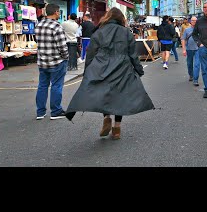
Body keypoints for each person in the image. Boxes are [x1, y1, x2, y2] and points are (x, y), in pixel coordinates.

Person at [65, 7, 154, 140]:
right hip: (122, 67)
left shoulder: (99, 31)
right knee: (120, 97)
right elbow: (132, 54)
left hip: (101, 66)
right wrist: (139, 70)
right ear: (120, 19)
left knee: (104, 95)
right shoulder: (126, 32)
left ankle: (106, 118)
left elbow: (91, 53)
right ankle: (117, 128)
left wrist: (87, 71)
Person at [34, 3, 69, 120]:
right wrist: (66, 57)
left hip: (42, 61)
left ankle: (40, 112)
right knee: (56, 85)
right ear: (56, 12)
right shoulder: (57, 27)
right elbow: (63, 47)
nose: (59, 14)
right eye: (59, 12)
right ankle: (55, 111)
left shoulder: (38, 25)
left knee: (42, 86)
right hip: (56, 61)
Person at [181, 16, 201, 86]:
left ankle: (195, 79)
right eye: (193, 20)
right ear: (190, 21)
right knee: (189, 64)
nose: (194, 22)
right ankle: (191, 75)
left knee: (197, 64)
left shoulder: (200, 30)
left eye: (195, 20)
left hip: (198, 49)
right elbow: (183, 39)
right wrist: (183, 49)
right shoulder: (187, 30)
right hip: (189, 49)